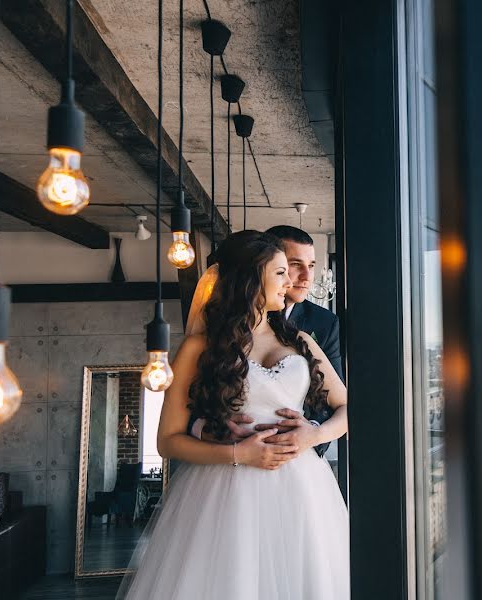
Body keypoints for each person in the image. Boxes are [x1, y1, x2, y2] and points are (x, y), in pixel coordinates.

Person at [118, 231, 349, 599]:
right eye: (280, 273)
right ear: (250, 279)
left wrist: (313, 434)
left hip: (304, 491)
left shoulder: (301, 340)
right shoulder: (199, 347)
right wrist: (239, 453)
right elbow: (167, 440)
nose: (290, 281)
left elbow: (348, 407)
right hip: (226, 489)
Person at [188, 226, 342, 463]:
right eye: (286, 269)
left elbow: (339, 403)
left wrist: (312, 434)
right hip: (226, 468)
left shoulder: (312, 332)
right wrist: (213, 433)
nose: (295, 280)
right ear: (254, 275)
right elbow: (185, 415)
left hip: (299, 464)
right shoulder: (204, 344)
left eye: (311, 266)